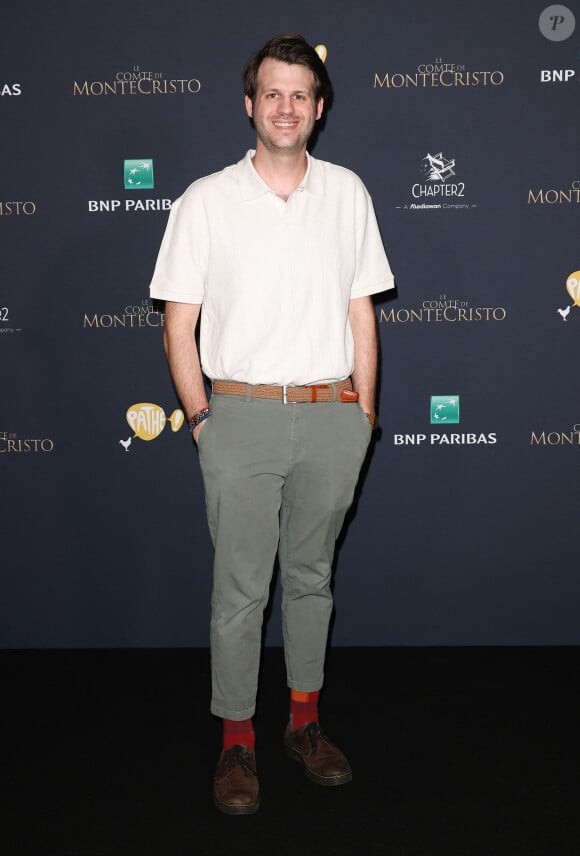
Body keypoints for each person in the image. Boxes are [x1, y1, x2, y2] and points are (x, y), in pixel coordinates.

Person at [149, 33, 395, 815]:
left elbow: (362, 309)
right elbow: (176, 324)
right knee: (239, 591)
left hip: (331, 414)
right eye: (273, 93)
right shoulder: (206, 199)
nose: (286, 107)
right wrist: (201, 420)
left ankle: (304, 724)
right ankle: (236, 743)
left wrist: (363, 411)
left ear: (319, 110)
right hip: (240, 417)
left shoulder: (349, 193)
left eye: (301, 95)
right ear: (250, 104)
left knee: (312, 580)